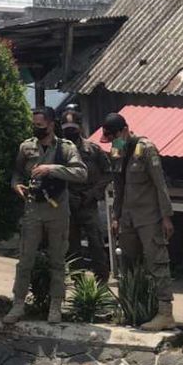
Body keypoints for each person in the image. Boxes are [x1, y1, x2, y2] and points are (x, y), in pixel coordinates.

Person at [6, 107, 88, 325]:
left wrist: (52, 169)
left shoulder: (66, 148)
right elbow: (16, 174)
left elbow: (81, 173)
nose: (37, 128)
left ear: (51, 124)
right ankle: (18, 304)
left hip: (57, 210)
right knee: (25, 259)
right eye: (34, 125)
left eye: (40, 125)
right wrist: (17, 186)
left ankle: (55, 306)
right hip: (33, 208)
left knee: (57, 260)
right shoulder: (26, 147)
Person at [103, 112, 177, 331]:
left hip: (149, 218)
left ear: (124, 130)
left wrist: (166, 217)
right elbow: (118, 187)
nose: (113, 142)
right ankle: (130, 307)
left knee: (157, 263)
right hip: (127, 218)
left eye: (114, 137)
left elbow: (159, 184)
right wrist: (116, 217)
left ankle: (165, 313)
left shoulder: (146, 149)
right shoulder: (116, 150)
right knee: (128, 263)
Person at [60, 109, 112, 283]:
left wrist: (94, 194)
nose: (70, 132)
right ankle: (79, 283)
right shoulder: (58, 151)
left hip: (89, 203)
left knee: (96, 243)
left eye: (73, 128)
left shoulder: (93, 149)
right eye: (66, 128)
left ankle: (102, 281)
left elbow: (108, 173)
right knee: (72, 247)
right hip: (68, 204)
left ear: (80, 127)